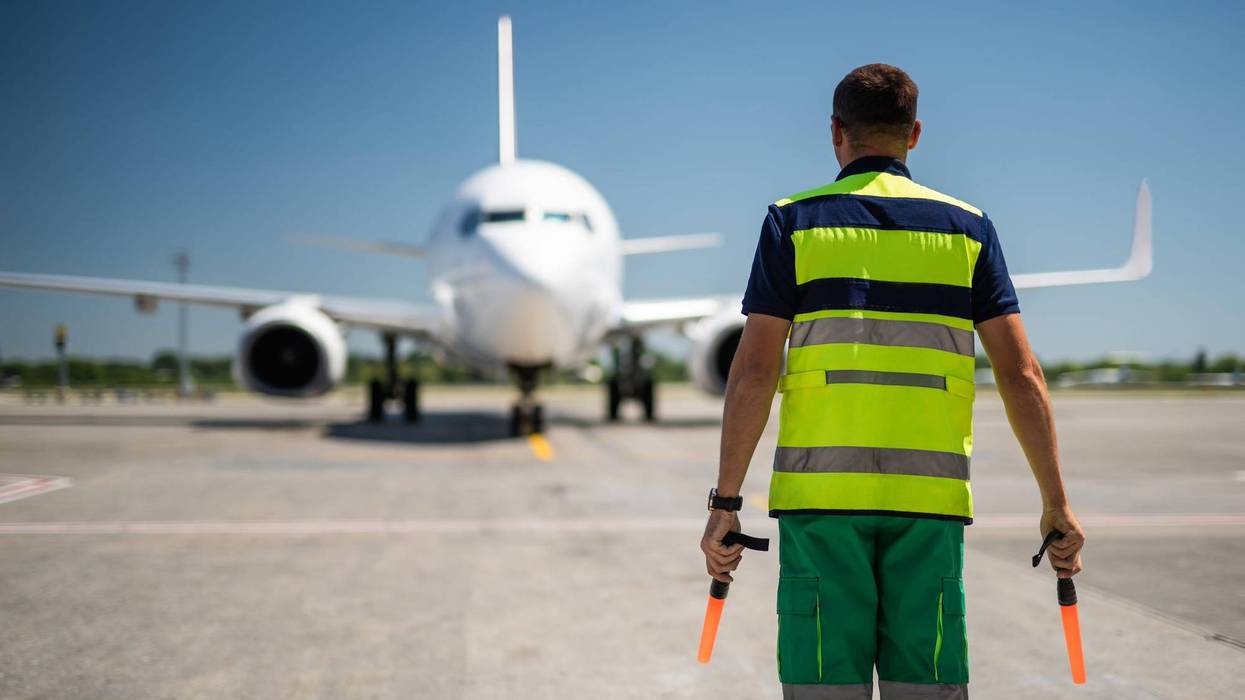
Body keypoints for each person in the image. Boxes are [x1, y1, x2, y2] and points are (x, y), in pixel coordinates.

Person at [700, 63, 1086, 699]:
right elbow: (1020, 374)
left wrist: (726, 505)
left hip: (818, 506)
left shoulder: (791, 223)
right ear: (915, 134)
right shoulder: (969, 229)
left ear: (835, 132)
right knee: (925, 687)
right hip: (927, 508)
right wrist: (1055, 503)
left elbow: (754, 372)